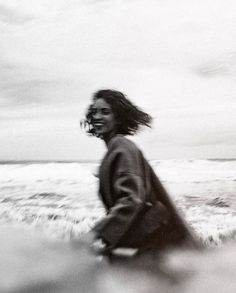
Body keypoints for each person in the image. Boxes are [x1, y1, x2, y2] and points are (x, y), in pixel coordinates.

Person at [82, 89, 200, 257]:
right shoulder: (116, 150)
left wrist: (94, 235)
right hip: (147, 241)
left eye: (105, 112)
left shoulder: (121, 147)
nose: (97, 117)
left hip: (156, 242)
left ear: (118, 117)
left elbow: (131, 200)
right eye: (94, 112)